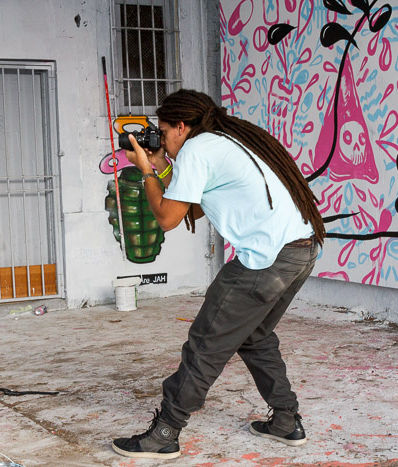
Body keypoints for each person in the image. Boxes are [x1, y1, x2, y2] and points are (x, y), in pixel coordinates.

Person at [112, 89, 325, 460]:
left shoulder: (197, 149)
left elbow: (168, 218)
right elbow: (193, 208)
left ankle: (165, 433)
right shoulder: (225, 140)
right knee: (255, 336)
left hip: (266, 259)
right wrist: (162, 165)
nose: (162, 140)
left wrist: (146, 170)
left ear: (182, 126)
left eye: (163, 132)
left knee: (206, 344)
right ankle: (285, 421)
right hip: (300, 252)